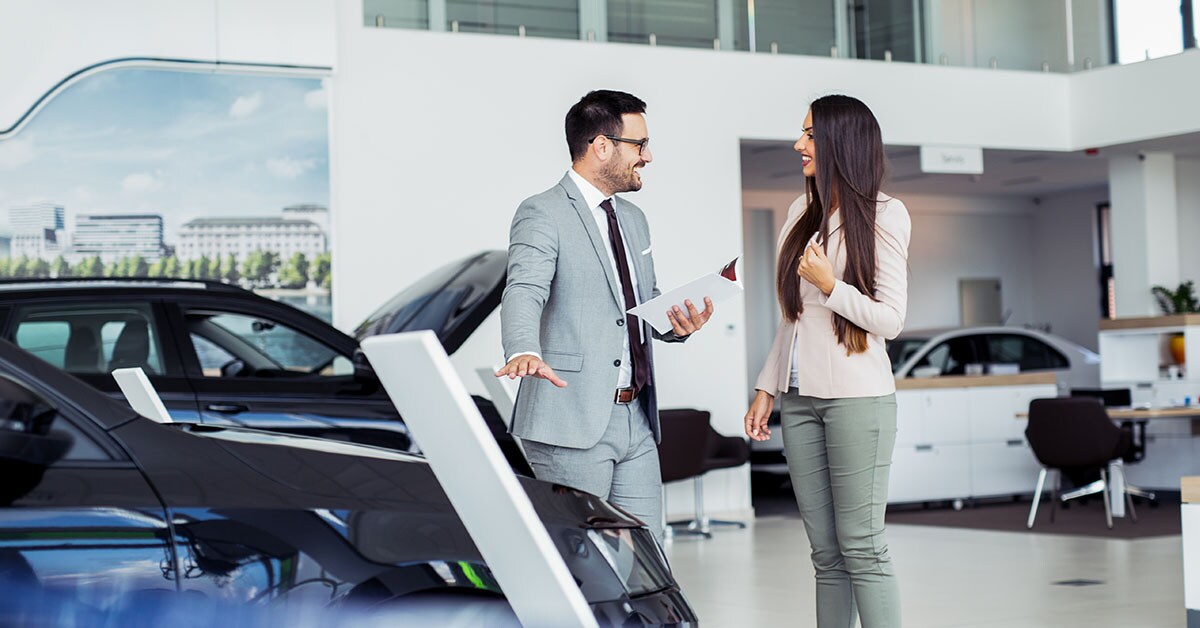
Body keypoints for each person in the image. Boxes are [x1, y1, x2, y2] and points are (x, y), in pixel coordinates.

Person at [496, 89, 713, 543]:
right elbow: (524, 288)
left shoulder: (634, 219)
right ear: (601, 146)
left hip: (635, 415)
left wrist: (676, 326)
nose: (648, 157)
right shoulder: (542, 212)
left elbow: (642, 303)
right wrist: (523, 348)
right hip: (570, 417)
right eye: (640, 145)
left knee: (647, 557)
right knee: (579, 555)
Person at [745, 95, 911, 628]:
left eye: (810, 135)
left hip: (858, 400)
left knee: (862, 546)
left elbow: (890, 320)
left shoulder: (887, 214)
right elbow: (795, 316)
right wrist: (767, 387)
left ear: (842, 142)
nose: (799, 145)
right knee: (826, 555)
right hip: (799, 400)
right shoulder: (801, 213)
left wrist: (830, 285)